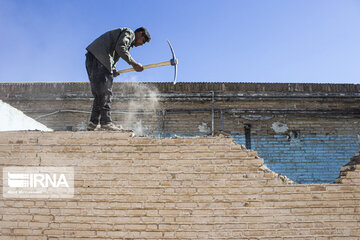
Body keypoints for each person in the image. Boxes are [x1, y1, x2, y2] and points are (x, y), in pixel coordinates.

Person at [85, 27, 151, 131]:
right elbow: (120, 48)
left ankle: (93, 123)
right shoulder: (129, 33)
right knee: (106, 92)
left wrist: (113, 69)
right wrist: (133, 63)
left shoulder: (123, 39)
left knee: (99, 93)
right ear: (140, 33)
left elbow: (114, 54)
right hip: (100, 58)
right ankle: (106, 122)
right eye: (143, 41)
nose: (142, 44)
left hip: (92, 58)